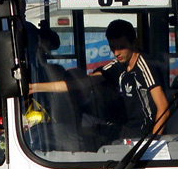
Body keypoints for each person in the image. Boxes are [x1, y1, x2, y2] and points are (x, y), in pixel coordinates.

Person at [32, 19, 169, 138]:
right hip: (127, 128)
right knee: (83, 133)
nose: (116, 53)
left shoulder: (145, 66)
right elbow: (85, 82)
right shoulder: (118, 65)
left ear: (134, 42)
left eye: (121, 47)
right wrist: (35, 87)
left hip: (144, 134)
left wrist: (153, 144)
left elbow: (163, 107)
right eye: (112, 47)